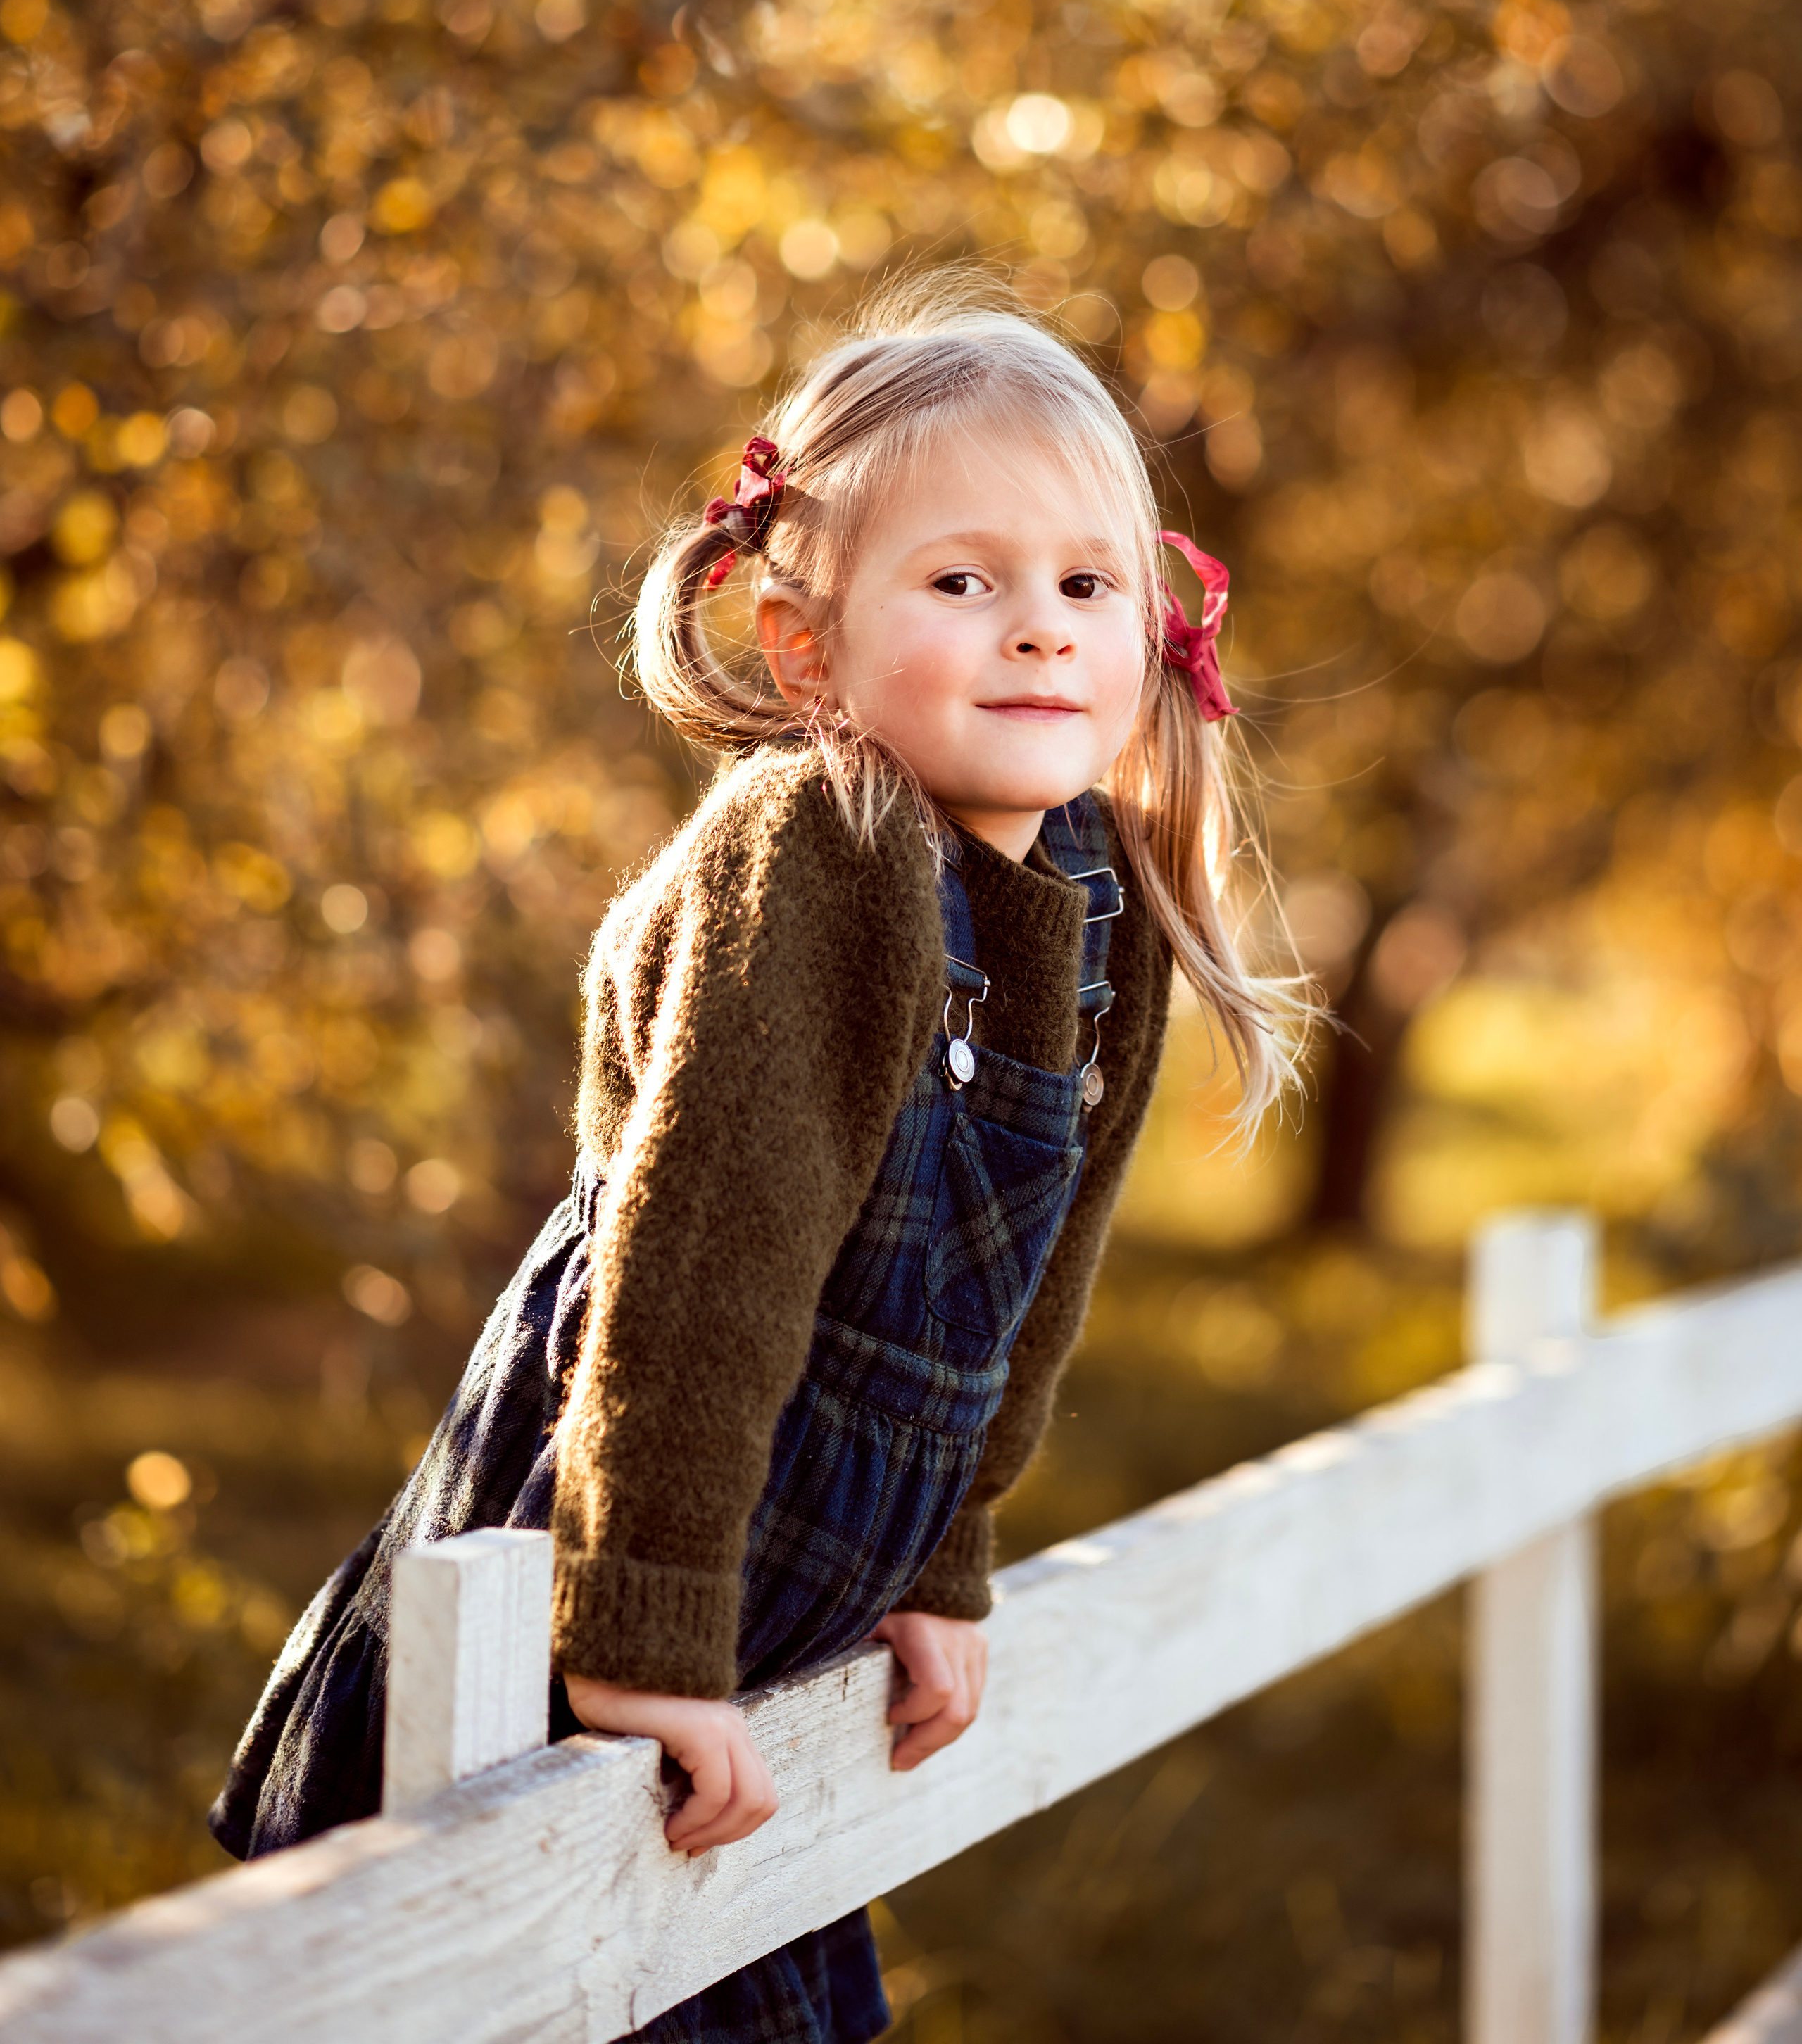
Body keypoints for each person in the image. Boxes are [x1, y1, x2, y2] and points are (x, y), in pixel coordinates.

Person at [209, 284, 1309, 2042]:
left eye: (1084, 588)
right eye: (963, 582)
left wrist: (941, 1563)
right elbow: (700, 1269)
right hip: (609, 1571)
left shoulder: (1093, 901)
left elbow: (1035, 1293)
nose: (1037, 631)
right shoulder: (817, 851)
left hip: (783, 1618)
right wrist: (642, 1634)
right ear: (808, 646)